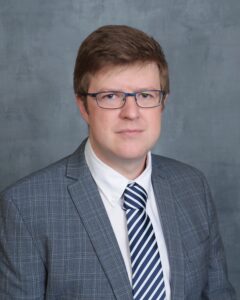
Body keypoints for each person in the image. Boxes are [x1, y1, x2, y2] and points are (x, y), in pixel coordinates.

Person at [0, 25, 236, 300]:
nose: (131, 113)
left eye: (146, 95)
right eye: (111, 96)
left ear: (163, 102)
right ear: (82, 105)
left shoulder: (192, 187)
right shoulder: (26, 208)